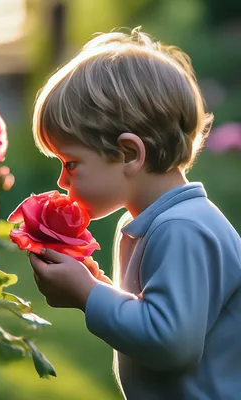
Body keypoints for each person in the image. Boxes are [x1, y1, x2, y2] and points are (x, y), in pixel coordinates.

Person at [28, 27, 241, 399]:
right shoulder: (147, 223)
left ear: (129, 153)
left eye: (72, 162)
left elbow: (171, 343)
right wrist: (102, 288)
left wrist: (87, 294)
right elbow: (154, 315)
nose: (63, 179)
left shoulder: (182, 229)